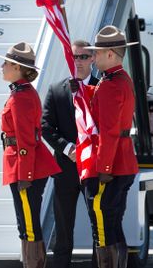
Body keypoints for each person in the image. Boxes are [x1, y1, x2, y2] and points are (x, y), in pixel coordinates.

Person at [0, 42, 61, 268]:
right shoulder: (20, 92)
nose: (2, 66)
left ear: (17, 67)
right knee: (26, 223)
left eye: (6, 63)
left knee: (29, 225)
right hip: (24, 163)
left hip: (25, 166)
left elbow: (25, 140)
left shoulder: (21, 96)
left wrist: (26, 174)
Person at [78, 25, 139, 268]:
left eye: (98, 53)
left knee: (102, 227)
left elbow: (110, 132)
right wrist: (87, 90)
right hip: (122, 162)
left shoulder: (112, 84)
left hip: (111, 166)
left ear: (111, 54)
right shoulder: (119, 78)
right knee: (112, 225)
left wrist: (103, 168)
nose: (94, 57)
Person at [41, 40, 99, 268]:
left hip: (93, 169)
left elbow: (107, 127)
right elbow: (45, 126)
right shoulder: (57, 90)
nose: (79, 61)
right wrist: (67, 148)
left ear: (93, 59)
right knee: (63, 230)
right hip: (65, 169)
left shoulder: (101, 88)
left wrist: (88, 150)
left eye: (84, 57)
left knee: (99, 228)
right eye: (75, 56)